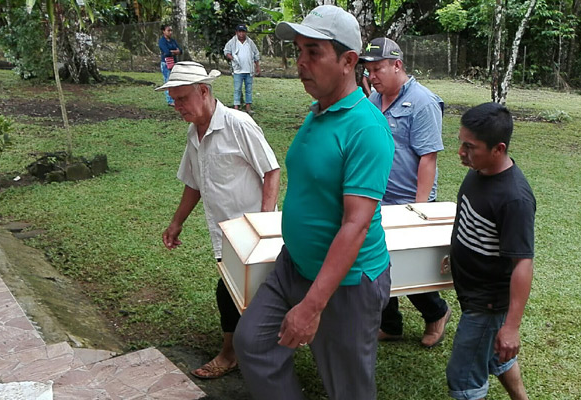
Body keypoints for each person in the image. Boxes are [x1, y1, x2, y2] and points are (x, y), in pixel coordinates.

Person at [233, 6, 394, 400]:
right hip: (295, 265)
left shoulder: (367, 130)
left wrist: (311, 306)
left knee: (348, 388)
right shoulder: (318, 112)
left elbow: (355, 225)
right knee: (253, 342)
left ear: (348, 61)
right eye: (299, 51)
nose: (300, 64)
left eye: (313, 52)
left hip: (347, 283)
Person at [154, 61, 280, 379]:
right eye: (173, 99)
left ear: (204, 91)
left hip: (252, 231)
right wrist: (176, 222)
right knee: (240, 292)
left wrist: (265, 223)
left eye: (181, 98)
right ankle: (252, 347)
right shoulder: (193, 133)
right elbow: (194, 181)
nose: (176, 106)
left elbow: (271, 170)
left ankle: (231, 354)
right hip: (224, 232)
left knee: (232, 292)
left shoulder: (239, 124)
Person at [360, 37, 452, 348]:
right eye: (369, 70)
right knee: (377, 263)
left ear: (397, 65)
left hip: (410, 201)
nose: (372, 76)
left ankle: (437, 312)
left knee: (410, 267)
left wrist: (418, 209)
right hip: (378, 198)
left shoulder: (423, 102)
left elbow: (428, 158)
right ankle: (391, 324)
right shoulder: (373, 101)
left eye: (378, 69)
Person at [446, 102, 535, 400]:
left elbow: (523, 263)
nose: (461, 152)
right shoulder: (479, 170)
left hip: (487, 303)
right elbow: (470, 222)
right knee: (496, 355)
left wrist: (511, 327)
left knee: (463, 378)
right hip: (472, 293)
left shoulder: (514, 199)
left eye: (470, 147)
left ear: (498, 149)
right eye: (461, 143)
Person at [223, 24, 261, 115]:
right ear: (236, 32)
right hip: (238, 70)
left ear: (245, 32)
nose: (241, 34)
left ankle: (248, 107)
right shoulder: (232, 42)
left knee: (248, 89)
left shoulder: (250, 42)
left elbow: (256, 54)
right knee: (237, 89)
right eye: (239, 31)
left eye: (243, 31)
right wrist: (232, 58)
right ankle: (236, 107)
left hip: (249, 70)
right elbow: (226, 51)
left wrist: (257, 67)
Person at [158, 24, 182, 106]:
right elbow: (166, 52)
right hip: (166, 63)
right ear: (163, 31)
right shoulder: (162, 41)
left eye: (171, 30)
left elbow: (180, 50)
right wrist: (175, 51)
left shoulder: (172, 41)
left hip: (174, 63)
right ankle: (170, 100)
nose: (170, 32)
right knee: (168, 81)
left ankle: (176, 99)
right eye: (168, 30)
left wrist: (173, 51)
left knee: (175, 81)